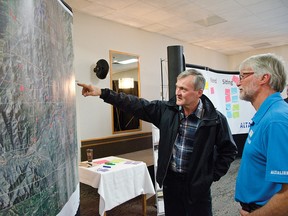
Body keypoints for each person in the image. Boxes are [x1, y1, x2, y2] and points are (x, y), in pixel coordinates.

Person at [78, 69, 238, 216]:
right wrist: (102, 93)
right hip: (172, 183)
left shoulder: (215, 119)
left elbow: (229, 151)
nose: (178, 93)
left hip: (197, 185)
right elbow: (135, 104)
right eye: (177, 87)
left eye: (184, 89)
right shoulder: (166, 111)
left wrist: (210, 176)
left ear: (199, 92)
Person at [235, 53, 288, 216]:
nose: (238, 83)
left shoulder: (275, 120)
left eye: (243, 76)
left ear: (264, 78)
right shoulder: (267, 116)